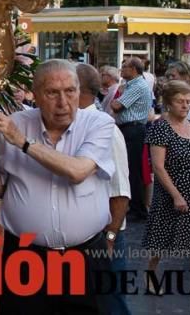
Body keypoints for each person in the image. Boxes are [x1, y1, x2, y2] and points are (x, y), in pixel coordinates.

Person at [0, 59, 115, 314]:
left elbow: (77, 171)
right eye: (52, 93)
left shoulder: (99, 124)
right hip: (25, 258)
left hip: (84, 257)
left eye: (70, 91)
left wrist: (23, 142)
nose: (63, 102)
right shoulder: (16, 122)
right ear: (36, 95)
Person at [142, 81, 190, 308]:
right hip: (169, 192)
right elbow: (158, 167)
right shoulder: (160, 128)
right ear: (168, 102)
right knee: (161, 238)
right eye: (180, 101)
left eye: (188, 101)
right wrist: (176, 195)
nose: (185, 105)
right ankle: (150, 275)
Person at [76, 64, 131, 315]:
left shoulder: (106, 129)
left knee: (109, 302)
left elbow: (119, 191)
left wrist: (109, 239)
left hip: (104, 236)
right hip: (85, 236)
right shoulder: (78, 125)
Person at [111, 56, 151, 220]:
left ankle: (137, 208)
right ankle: (134, 206)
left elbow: (117, 106)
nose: (121, 70)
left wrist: (117, 99)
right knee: (128, 168)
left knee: (132, 169)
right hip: (128, 128)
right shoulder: (131, 85)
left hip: (133, 129)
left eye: (125, 67)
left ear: (133, 70)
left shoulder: (138, 86)